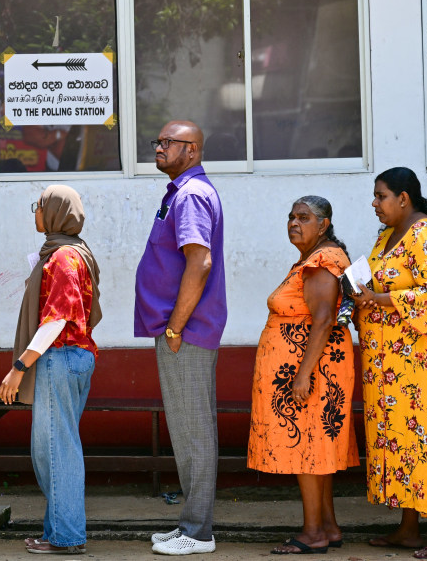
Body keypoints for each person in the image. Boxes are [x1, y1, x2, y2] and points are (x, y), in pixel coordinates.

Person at [353, 167, 427, 559]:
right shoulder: (387, 236)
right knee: (401, 441)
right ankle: (408, 528)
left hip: (419, 365)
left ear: (404, 198)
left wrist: (378, 300)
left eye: (381, 196)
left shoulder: (425, 234)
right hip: (386, 367)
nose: (375, 203)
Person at [135, 120, 226, 556]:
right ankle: (192, 522)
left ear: (192, 150)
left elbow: (200, 263)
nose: (159, 147)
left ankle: (198, 531)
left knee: (193, 432)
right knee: (188, 428)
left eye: (168, 142)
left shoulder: (190, 195)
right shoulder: (182, 191)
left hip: (184, 331)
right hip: (180, 329)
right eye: (159, 141)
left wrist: (174, 326)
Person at [247, 196, 358, 554]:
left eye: (304, 217)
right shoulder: (314, 258)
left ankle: (313, 533)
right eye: (292, 216)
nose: (294, 222)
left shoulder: (323, 261)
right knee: (316, 450)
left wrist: (302, 375)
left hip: (313, 372)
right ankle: (327, 526)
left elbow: (324, 319)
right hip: (311, 370)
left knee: (308, 449)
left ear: (323, 225)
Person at [0, 184, 102, 555]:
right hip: (71, 357)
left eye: (38, 206)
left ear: (54, 211)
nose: (35, 213)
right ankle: (56, 531)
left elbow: (57, 318)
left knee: (57, 451)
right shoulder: (72, 253)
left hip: (60, 356)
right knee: (53, 449)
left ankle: (67, 536)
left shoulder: (62, 258)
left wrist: (19, 367)